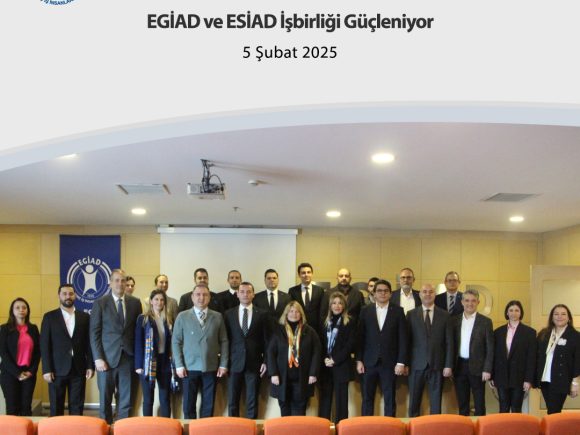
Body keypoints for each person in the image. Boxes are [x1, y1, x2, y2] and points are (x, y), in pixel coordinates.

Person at [90, 269, 142, 423]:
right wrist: (98, 358)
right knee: (105, 400)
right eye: (117, 280)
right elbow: (94, 333)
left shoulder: (135, 303)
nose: (120, 283)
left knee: (126, 401)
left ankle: (123, 429)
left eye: (123, 280)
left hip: (128, 358)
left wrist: (138, 360)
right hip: (106, 359)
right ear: (110, 283)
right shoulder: (100, 303)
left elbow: (137, 332)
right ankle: (105, 429)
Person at [172, 284, 229, 419]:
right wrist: (179, 365)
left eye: (205, 295)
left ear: (209, 297)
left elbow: (224, 341)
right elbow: (176, 342)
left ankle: (205, 429)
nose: (201, 298)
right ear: (192, 297)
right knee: (188, 404)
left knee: (208, 404)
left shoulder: (218, 316)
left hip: (211, 366)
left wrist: (223, 364)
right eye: (198, 294)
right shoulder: (182, 316)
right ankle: (190, 428)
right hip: (188, 367)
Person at [40, 284, 94, 416]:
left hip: (78, 368)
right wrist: (46, 369)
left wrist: (90, 365)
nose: (67, 296)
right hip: (56, 370)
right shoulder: (49, 317)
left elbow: (89, 343)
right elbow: (44, 345)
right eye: (64, 294)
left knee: (77, 407)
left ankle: (75, 428)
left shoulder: (85, 317)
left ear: (75, 296)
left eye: (70, 294)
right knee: (56, 407)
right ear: (59, 296)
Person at [356, 279, 407, 417]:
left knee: (389, 399)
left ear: (390, 293)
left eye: (386, 291)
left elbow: (403, 339)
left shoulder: (398, 311)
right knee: (367, 398)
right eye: (379, 291)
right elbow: (360, 338)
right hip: (368, 363)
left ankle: (390, 426)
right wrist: (359, 360)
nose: (382, 293)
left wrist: (401, 362)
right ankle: (366, 426)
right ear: (374, 293)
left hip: (390, 363)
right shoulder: (365, 311)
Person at [406, 283, 453, 417]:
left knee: (436, 402)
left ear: (435, 294)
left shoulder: (445, 315)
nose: (428, 294)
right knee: (414, 402)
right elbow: (406, 342)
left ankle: (435, 427)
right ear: (420, 295)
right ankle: (413, 426)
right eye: (424, 291)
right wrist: (405, 363)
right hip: (416, 365)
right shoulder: (411, 315)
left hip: (437, 365)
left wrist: (448, 365)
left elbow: (449, 342)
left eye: (431, 292)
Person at [268, 301, 321, 416]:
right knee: (285, 412)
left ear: (301, 314)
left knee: (299, 413)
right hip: (282, 379)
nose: (294, 314)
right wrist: (273, 373)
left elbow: (316, 353)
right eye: (291, 311)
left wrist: (313, 373)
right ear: (286, 314)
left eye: (297, 311)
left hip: (302, 378)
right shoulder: (278, 331)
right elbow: (270, 353)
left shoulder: (310, 331)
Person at [224, 281, 269, 418]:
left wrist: (266, 361)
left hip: (254, 363)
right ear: (237, 294)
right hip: (234, 363)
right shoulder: (228, 314)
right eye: (242, 292)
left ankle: (251, 427)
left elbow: (267, 340)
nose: (245, 294)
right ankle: (233, 427)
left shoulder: (262, 314)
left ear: (253, 294)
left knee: (252, 400)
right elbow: (225, 340)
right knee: (233, 401)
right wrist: (224, 362)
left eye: (248, 292)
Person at [451, 288, 493, 416]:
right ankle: (464, 426)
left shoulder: (485, 322)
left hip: (478, 368)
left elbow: (490, 348)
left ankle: (480, 426)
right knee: (462, 403)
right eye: (467, 300)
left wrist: (487, 369)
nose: (470, 303)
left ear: (478, 302)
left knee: (479, 403)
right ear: (462, 302)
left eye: (473, 301)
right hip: (459, 366)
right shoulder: (454, 321)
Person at [490, 300, 536, 413]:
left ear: (521, 313)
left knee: (516, 408)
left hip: (519, 376)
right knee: (503, 408)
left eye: (516, 310)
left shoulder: (529, 332)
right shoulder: (498, 332)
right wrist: (492, 376)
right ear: (507, 313)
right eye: (511, 310)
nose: (513, 313)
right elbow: (493, 356)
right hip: (501, 376)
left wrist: (528, 379)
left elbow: (531, 358)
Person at [134, 289, 174, 417]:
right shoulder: (143, 318)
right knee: (148, 399)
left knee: (165, 398)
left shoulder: (168, 319)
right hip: (148, 362)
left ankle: (167, 425)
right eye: (156, 299)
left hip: (164, 362)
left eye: (162, 300)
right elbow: (138, 342)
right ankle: (148, 426)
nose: (159, 302)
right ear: (151, 301)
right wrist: (138, 365)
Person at [318, 292, 355, 423]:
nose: (337, 306)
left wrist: (335, 359)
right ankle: (323, 427)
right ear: (330, 305)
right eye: (334, 303)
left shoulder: (350, 321)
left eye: (340, 303)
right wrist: (325, 358)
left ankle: (341, 428)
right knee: (325, 400)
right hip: (325, 366)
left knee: (341, 401)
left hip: (341, 365)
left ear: (344, 305)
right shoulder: (324, 321)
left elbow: (350, 345)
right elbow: (320, 343)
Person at [537, 304, 580, 414]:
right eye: (556, 314)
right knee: (552, 410)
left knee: (553, 410)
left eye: (563, 314)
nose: (559, 316)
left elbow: (577, 361)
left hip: (561, 379)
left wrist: (575, 383)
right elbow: (537, 356)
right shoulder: (544, 334)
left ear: (569, 318)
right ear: (552, 317)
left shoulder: (575, 336)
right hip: (545, 379)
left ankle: (552, 425)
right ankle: (552, 425)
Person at [0, 298, 40, 416]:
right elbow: (3, 353)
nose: (21, 310)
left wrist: (31, 371)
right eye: (17, 308)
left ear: (27, 310)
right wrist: (17, 373)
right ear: (12, 311)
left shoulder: (33, 329)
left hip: (28, 373)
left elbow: (38, 352)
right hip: (10, 373)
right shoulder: (4, 329)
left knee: (26, 408)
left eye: (24, 307)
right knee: (12, 408)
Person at [288, 263, 325, 329]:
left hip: (316, 329)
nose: (306, 275)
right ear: (299, 275)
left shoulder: (320, 290)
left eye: (308, 272)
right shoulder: (292, 291)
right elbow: (290, 310)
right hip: (298, 327)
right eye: (303, 273)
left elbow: (322, 311)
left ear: (312, 274)